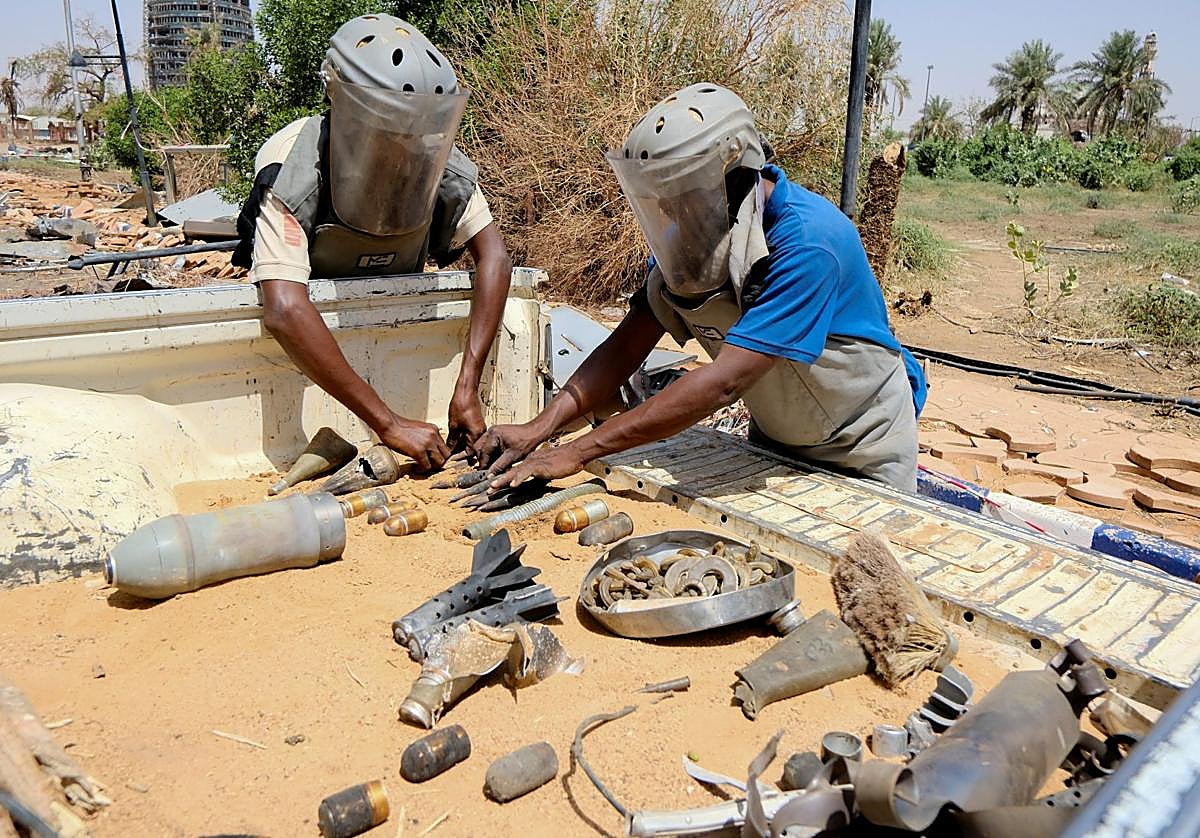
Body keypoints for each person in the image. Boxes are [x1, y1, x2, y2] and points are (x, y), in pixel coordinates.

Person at [472, 83, 927, 491]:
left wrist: (579, 450)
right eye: (663, 201)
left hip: (863, 447)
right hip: (777, 442)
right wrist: (540, 428)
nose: (672, 214)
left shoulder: (809, 243)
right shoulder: (690, 241)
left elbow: (724, 382)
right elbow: (625, 347)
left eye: (683, 197)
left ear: (731, 177)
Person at [232, 15, 512, 470]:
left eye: (415, 128)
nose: (403, 143)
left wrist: (467, 385)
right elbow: (284, 309)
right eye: (390, 126)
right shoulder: (292, 167)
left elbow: (494, 257)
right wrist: (389, 424)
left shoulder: (444, 165)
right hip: (317, 348)